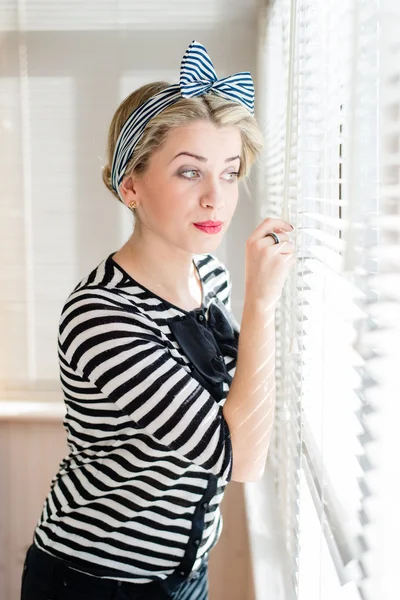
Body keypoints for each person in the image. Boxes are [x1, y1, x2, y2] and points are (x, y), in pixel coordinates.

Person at [20, 40, 295, 600]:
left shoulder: (211, 279)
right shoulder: (101, 315)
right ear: (131, 186)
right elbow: (239, 458)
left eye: (230, 171)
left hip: (184, 574)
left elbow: (248, 397)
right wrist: (262, 304)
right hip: (95, 580)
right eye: (189, 172)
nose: (217, 198)